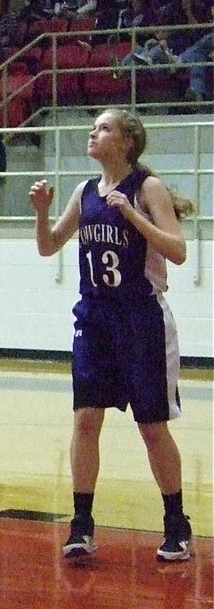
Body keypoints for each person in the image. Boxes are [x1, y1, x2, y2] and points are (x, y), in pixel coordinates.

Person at [28, 108, 194, 563]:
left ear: (125, 141)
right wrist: (42, 213)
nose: (92, 133)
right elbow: (47, 247)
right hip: (96, 319)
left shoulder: (147, 188)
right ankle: (81, 523)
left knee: (151, 425)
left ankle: (176, 522)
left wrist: (133, 216)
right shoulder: (84, 193)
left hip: (142, 320)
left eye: (102, 128)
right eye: (93, 127)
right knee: (85, 419)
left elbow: (178, 251)